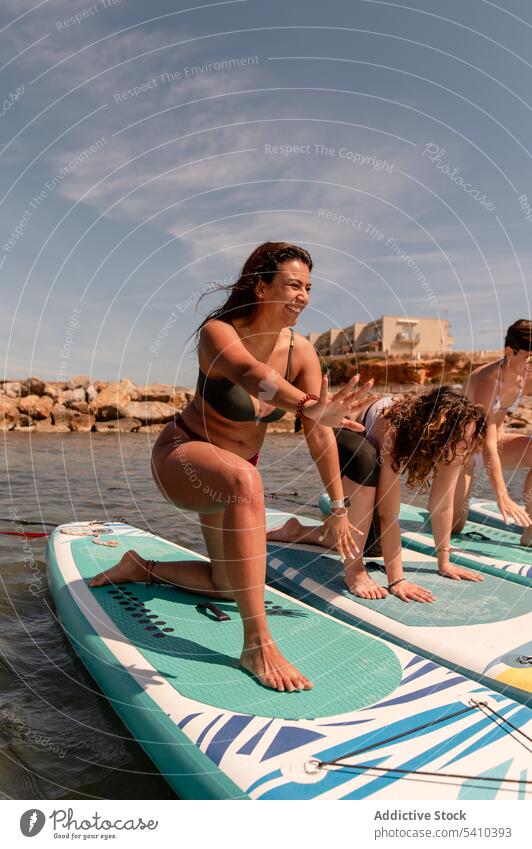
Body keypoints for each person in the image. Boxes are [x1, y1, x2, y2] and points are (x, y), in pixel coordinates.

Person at [89, 242, 376, 692]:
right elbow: (250, 374)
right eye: (292, 285)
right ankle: (257, 644)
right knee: (247, 479)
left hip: (232, 477)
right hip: (185, 457)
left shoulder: (301, 352)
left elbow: (319, 432)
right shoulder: (220, 333)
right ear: (261, 287)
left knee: (227, 585)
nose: (303, 296)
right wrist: (308, 405)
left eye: (308, 288)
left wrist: (338, 506)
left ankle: (140, 567)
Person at [268, 386, 487, 601]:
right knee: (366, 459)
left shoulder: (459, 444)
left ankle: (296, 532)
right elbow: (387, 513)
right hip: (337, 432)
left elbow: (442, 506)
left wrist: (444, 561)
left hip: (372, 447)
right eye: (460, 439)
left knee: (372, 548)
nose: (465, 446)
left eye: (470, 438)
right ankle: (354, 572)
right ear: (436, 432)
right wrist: (397, 580)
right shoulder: (394, 427)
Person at [453, 319, 532, 545]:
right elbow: (486, 444)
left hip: (499, 444)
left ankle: (530, 530)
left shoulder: (525, 376)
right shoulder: (488, 381)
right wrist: (502, 495)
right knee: (454, 528)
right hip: (463, 454)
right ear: (509, 352)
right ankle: (442, 500)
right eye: (528, 357)